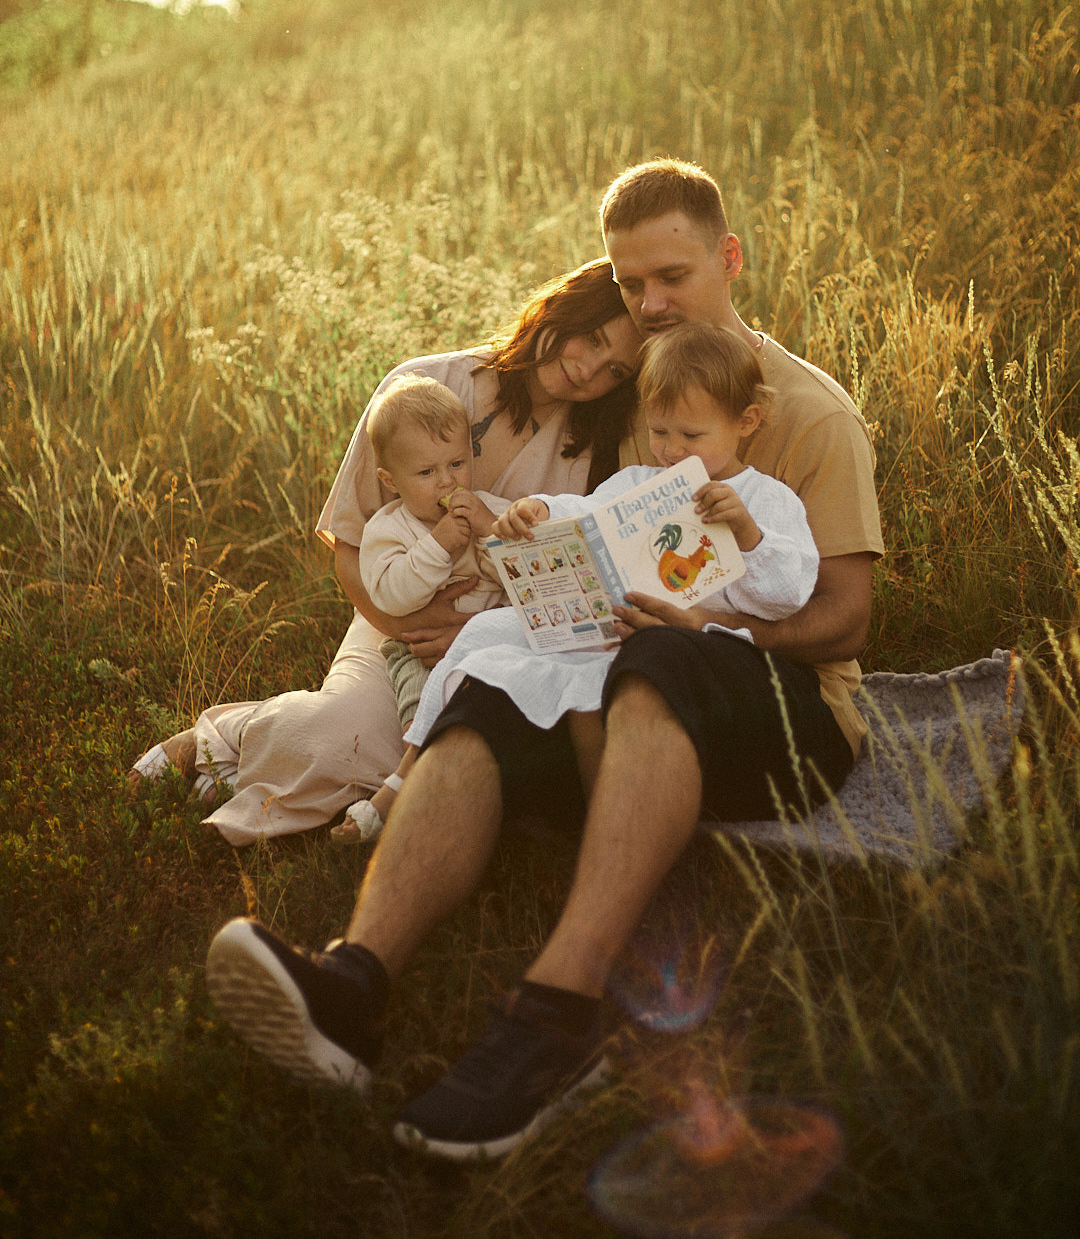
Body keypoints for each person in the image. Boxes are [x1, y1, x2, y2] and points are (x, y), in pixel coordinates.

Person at [204, 158, 884, 1160]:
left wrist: (708, 631)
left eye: (673, 276)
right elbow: (597, 525)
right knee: (493, 686)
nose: (650, 303)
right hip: (627, 679)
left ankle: (564, 1010)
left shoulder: (807, 413)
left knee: (663, 659)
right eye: (631, 282)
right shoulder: (638, 407)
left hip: (786, 714)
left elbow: (847, 620)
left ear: (729, 259)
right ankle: (354, 978)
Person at [128, 259, 642, 844]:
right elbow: (349, 548)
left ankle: (287, 773)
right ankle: (225, 736)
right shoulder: (424, 386)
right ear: (558, 308)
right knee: (341, 736)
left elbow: (575, 586)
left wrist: (476, 635)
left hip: (504, 641)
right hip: (395, 615)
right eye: (591, 338)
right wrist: (412, 625)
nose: (589, 369)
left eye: (614, 369)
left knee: (450, 761)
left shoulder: (598, 450)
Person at [405, 323, 821, 803]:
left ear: (746, 421)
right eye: (659, 431)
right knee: (485, 632)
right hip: (604, 628)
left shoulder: (765, 499)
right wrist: (540, 511)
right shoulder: (640, 482)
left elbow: (788, 595)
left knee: (591, 698)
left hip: (690, 652)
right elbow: (587, 515)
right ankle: (413, 755)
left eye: (691, 434)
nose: (672, 450)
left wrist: (748, 535)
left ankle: (604, 809)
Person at [333, 374, 512, 844]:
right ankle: (416, 786)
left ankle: (439, 789)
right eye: (427, 473)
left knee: (484, 704)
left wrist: (490, 532)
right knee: (421, 707)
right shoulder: (388, 531)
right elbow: (393, 596)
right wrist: (439, 547)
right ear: (391, 482)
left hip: (485, 646)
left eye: (456, 463)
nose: (448, 481)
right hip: (417, 652)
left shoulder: (487, 509)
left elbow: (520, 576)